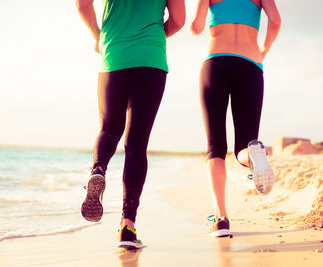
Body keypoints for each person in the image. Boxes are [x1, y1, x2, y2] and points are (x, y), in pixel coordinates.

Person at [76, 0, 185, 249]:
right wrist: (155, 32)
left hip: (114, 55)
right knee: (136, 143)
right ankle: (128, 225)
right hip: (151, 59)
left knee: (108, 128)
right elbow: (178, 19)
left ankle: (98, 170)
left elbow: (82, 4)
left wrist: (99, 35)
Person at [191, 0, 281, 237]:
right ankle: (252, 154)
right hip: (251, 64)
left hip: (215, 63)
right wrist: (265, 48)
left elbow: (196, 27)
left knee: (215, 148)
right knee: (244, 145)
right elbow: (276, 21)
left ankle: (221, 219)